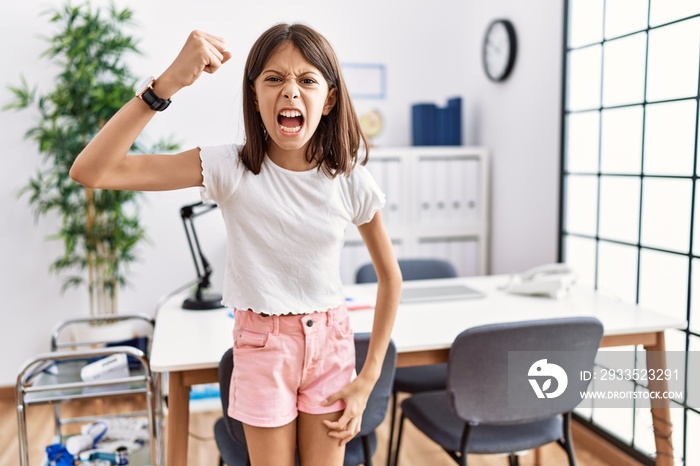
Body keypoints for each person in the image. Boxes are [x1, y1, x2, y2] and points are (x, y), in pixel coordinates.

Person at [70, 24, 401, 466]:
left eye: (306, 80)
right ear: (254, 94)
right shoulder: (231, 167)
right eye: (273, 79)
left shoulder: (349, 179)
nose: (290, 92)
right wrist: (166, 85)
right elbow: (92, 171)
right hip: (263, 347)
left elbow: (390, 279)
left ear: (330, 99)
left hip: (331, 343)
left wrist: (369, 377)